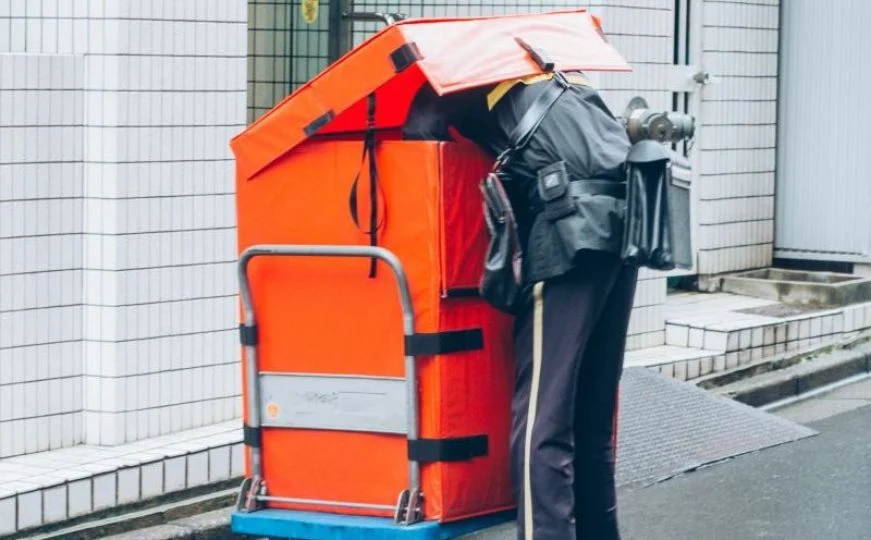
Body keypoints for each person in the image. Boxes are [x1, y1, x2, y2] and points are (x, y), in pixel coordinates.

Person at [405, 73, 640, 540]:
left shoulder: (459, 76)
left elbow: (419, 134)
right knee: (592, 417)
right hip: (626, 223)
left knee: (542, 418)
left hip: (567, 235)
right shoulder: (560, 74)